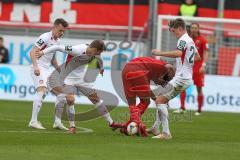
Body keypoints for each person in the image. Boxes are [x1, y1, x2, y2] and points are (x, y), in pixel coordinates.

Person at [36, 40, 122, 133]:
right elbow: (57, 47)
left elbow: (98, 57)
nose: (98, 54)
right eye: (98, 52)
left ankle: (111, 123)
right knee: (70, 99)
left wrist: (101, 67)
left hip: (81, 79)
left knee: (95, 99)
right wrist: (42, 52)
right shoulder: (76, 50)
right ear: (94, 49)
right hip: (68, 78)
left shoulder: (94, 52)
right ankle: (72, 126)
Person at [150, 18, 200, 139]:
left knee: (159, 100)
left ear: (180, 28)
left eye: (174, 31)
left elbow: (178, 53)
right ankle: (156, 128)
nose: (174, 34)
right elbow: (197, 57)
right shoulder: (190, 40)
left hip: (182, 78)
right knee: (160, 98)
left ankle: (166, 133)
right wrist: (184, 64)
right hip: (184, 77)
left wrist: (159, 53)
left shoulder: (183, 39)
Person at [118, 57, 175, 137]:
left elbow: (147, 89)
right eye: (164, 80)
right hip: (138, 70)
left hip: (126, 69)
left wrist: (155, 98)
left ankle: (129, 125)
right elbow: (169, 66)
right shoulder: (163, 68)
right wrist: (172, 73)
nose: (162, 83)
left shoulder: (150, 70)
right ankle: (137, 124)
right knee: (145, 102)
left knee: (132, 103)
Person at [29, 18, 69, 130]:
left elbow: (53, 59)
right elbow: (32, 52)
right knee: (41, 91)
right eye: (60, 30)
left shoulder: (57, 42)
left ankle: (57, 122)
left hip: (47, 70)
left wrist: (61, 71)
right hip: (38, 68)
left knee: (62, 95)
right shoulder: (45, 37)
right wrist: (36, 66)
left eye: (63, 31)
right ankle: (33, 121)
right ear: (55, 27)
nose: (62, 33)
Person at [174, 23, 209, 116]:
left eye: (195, 28)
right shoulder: (186, 39)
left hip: (198, 67)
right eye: (192, 28)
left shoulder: (203, 40)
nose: (193, 29)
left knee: (199, 88)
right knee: (182, 87)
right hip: (187, 67)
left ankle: (199, 109)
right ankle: (182, 107)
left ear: (198, 29)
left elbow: (205, 53)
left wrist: (203, 65)